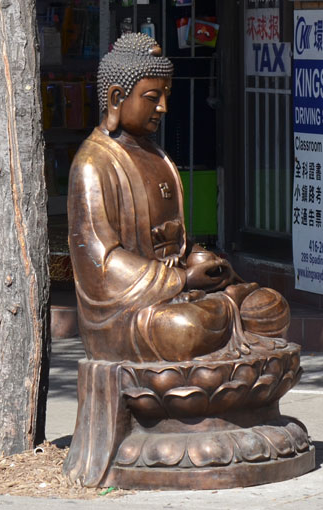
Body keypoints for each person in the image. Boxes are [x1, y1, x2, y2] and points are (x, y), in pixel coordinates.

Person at [67, 33, 288, 362]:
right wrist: (180, 279)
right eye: (152, 97)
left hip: (179, 293)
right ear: (116, 99)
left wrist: (203, 262)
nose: (163, 108)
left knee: (271, 308)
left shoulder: (158, 157)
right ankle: (221, 317)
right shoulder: (92, 165)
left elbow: (178, 244)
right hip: (128, 315)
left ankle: (224, 310)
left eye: (166, 96)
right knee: (186, 327)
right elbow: (102, 263)